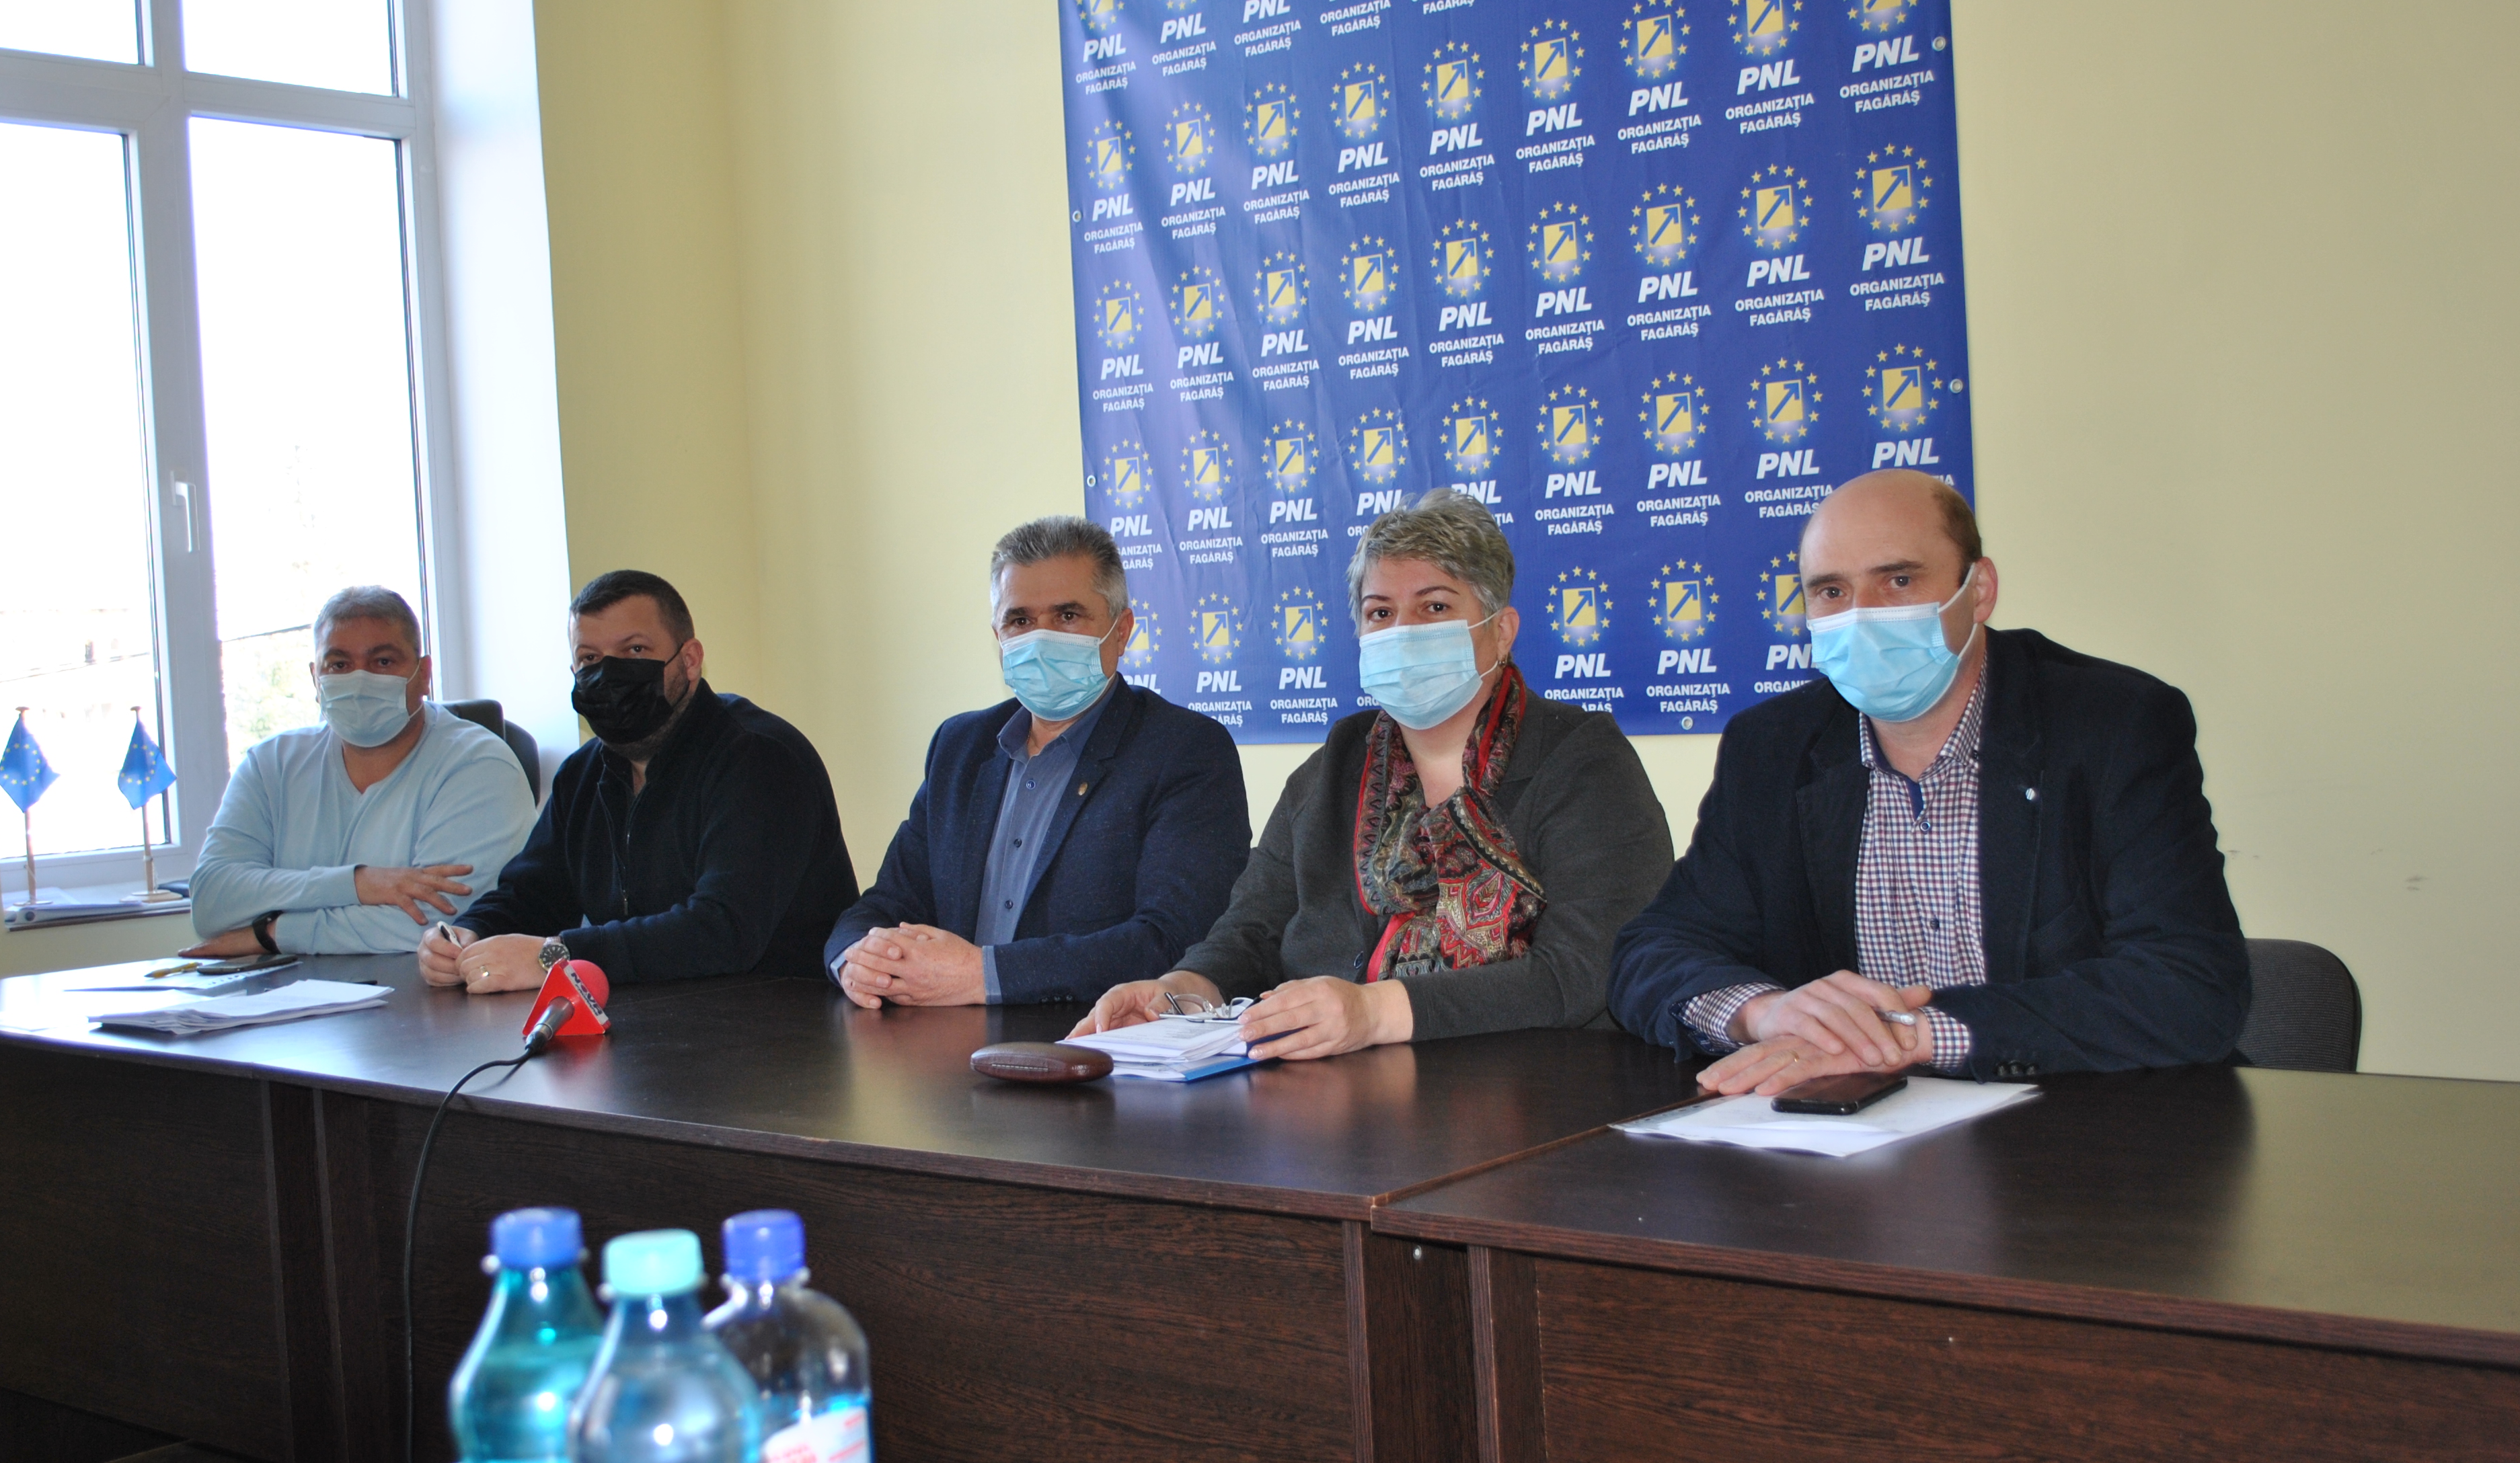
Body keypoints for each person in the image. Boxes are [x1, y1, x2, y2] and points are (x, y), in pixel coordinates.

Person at [1605, 470, 2249, 1092]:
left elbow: (2189, 985)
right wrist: (1763, 1013)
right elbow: (1654, 950)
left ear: (1979, 590)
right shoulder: (1771, 747)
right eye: (1831, 592)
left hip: (2092, 1126)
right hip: (1859, 1134)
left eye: (1899, 580)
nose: (1862, 616)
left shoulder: (2114, 725)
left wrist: (1915, 1036)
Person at [1074, 489, 1674, 1057]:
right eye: (1380, 612)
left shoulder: (1582, 761)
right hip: (1342, 1098)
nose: (1402, 632)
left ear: (1500, 631)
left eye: (1435, 607)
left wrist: (1374, 1012)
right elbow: (1250, 931)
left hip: (1541, 1092)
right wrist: (1178, 992)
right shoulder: (1333, 768)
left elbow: (1588, 969)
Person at [825, 517, 1250, 1007]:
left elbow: (1174, 940)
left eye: (1067, 616)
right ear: (998, 636)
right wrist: (858, 961)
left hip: (1093, 1040)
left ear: (1121, 631)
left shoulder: (1185, 750)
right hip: (946, 1042)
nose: (1041, 639)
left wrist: (981, 975)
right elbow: (884, 905)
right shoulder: (960, 748)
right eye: (1020, 621)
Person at [421, 569, 858, 990]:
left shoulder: (758, 758)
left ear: (690, 661)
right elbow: (532, 895)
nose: (609, 674)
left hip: (782, 1019)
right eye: (590, 659)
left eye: (634, 651)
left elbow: (723, 930)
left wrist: (554, 956)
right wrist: (467, 934)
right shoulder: (582, 774)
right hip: (648, 1016)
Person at [184, 586, 535, 957]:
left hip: (423, 990)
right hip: (289, 990)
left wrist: (271, 934)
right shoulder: (270, 764)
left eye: (383, 661)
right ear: (315, 678)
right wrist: (358, 883)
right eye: (339, 665)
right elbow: (211, 902)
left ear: (424, 674)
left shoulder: (479, 764)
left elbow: (442, 924)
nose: (360, 680)